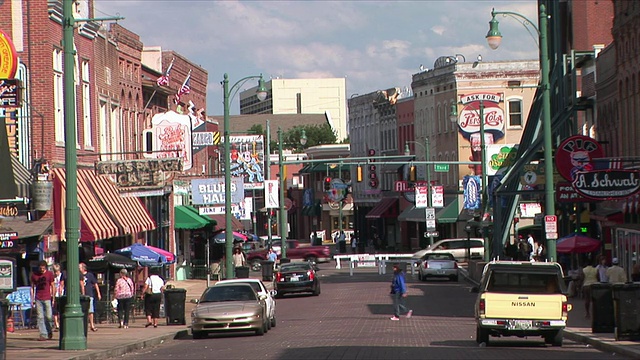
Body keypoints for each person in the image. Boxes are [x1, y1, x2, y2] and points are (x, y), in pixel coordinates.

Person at [31, 261, 55, 341]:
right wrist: (32, 299)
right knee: (40, 317)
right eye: (40, 268)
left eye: (43, 268)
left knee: (48, 316)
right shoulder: (34, 275)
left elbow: (52, 285)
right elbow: (32, 287)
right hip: (38, 297)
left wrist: (53, 297)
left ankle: (49, 331)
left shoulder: (49, 274)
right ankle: (43, 334)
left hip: (47, 297)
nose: (42, 270)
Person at [79, 262, 101, 332]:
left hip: (89, 294)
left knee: (90, 311)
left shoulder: (90, 275)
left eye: (79, 267)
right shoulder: (78, 275)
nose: (78, 269)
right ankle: (82, 325)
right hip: (81, 295)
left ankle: (92, 325)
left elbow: (95, 284)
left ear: (83, 268)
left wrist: (98, 293)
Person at [52, 263, 65, 331]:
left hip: (61, 294)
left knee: (61, 310)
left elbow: (62, 285)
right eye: (55, 271)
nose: (56, 273)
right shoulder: (53, 277)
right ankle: (56, 324)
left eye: (57, 271)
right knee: (55, 310)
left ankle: (61, 323)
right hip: (55, 295)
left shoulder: (62, 276)